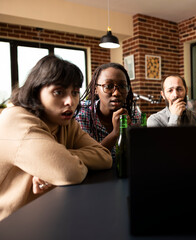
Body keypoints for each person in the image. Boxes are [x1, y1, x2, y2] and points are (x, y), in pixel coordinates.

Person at [0, 55, 112, 221]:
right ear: (36, 91)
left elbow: (104, 157)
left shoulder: (66, 123)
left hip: (46, 214)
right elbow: (69, 172)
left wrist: (62, 156)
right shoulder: (17, 120)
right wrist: (62, 162)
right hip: (10, 224)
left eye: (75, 92)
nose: (70, 102)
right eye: (58, 92)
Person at [75, 63, 140, 163]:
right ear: (96, 89)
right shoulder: (82, 114)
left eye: (122, 86)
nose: (116, 93)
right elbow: (85, 159)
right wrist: (115, 133)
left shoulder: (133, 114)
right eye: (109, 86)